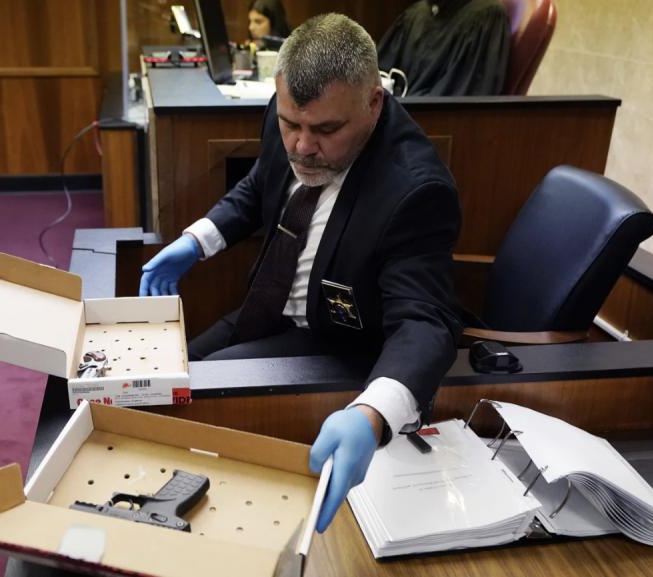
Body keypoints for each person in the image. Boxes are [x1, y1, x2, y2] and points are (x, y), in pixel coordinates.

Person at [139, 13, 464, 532]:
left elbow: (426, 322)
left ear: (374, 102)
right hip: (264, 307)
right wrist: (195, 240)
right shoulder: (289, 110)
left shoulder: (415, 189)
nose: (302, 146)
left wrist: (372, 414)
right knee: (153, 388)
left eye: (326, 130)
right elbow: (259, 185)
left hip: (332, 343)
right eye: (291, 125)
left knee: (186, 402)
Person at [377, 0, 511, 96]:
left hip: (431, 127)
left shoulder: (487, 17)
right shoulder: (415, 14)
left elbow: (458, 103)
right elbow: (377, 74)